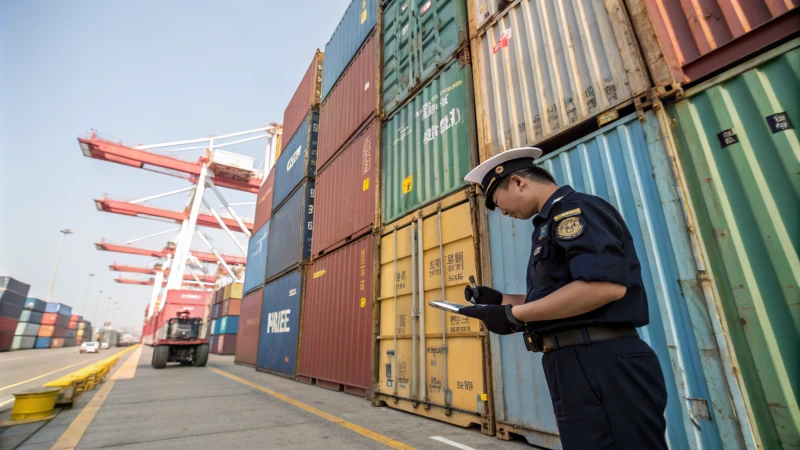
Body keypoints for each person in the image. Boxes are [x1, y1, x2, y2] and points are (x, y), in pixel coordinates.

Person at [459, 147, 668, 449]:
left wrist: (513, 316)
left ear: (518, 182)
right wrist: (499, 300)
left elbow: (603, 287)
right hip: (575, 361)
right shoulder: (545, 225)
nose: (501, 211)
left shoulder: (575, 211)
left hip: (600, 359)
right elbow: (558, 297)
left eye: (497, 201)